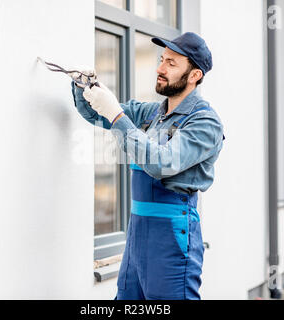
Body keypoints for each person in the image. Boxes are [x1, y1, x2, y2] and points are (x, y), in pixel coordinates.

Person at [71, 32, 225, 300]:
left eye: (171, 63)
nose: (160, 68)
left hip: (172, 235)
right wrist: (83, 87)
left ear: (194, 76)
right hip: (137, 233)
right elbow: (96, 115)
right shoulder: (152, 113)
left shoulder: (205, 122)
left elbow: (161, 163)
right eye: (162, 60)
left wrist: (117, 114)